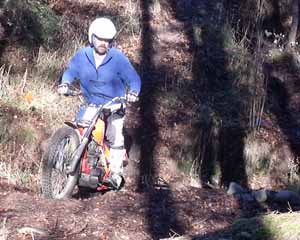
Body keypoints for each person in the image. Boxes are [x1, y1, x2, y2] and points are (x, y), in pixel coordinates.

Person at [58, 17, 141, 190]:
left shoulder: (117, 58)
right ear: (92, 37)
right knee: (80, 130)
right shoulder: (82, 55)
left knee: (115, 136)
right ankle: (75, 166)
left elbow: (133, 78)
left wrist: (133, 92)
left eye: (107, 40)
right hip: (90, 104)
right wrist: (65, 83)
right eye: (100, 38)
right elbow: (71, 70)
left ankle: (116, 174)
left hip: (113, 106)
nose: (103, 43)